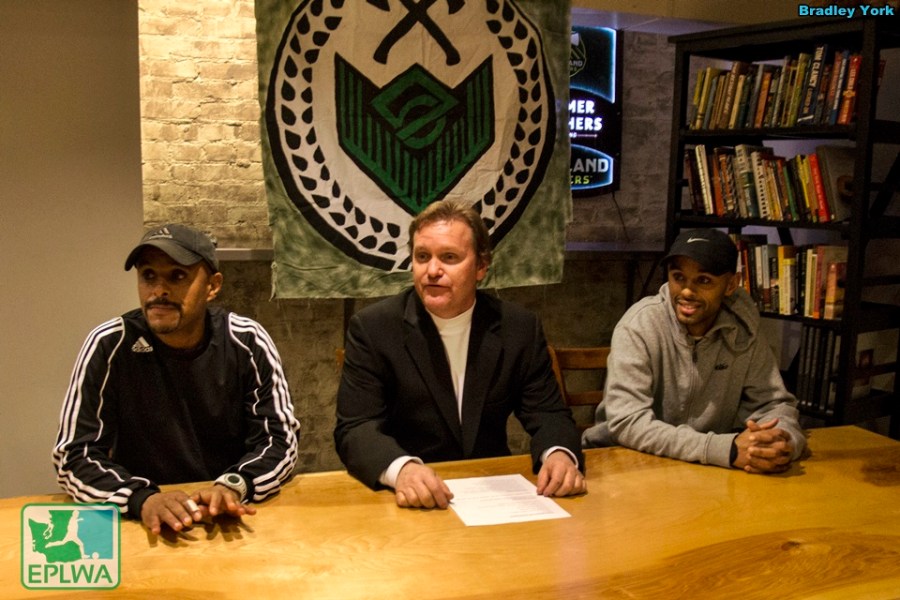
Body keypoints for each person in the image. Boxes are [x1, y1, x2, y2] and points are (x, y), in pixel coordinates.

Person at [334, 200, 585, 508]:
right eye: (422, 257)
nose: (432, 270)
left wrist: (558, 453)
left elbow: (548, 413)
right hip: (408, 497)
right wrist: (402, 469)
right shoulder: (374, 329)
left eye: (449, 257)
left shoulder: (518, 328)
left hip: (495, 497)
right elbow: (356, 427)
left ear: (481, 267)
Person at [53, 224, 300, 534]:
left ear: (213, 286)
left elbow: (279, 441)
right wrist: (141, 499)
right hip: (142, 523)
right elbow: (75, 455)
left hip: (230, 516)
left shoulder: (247, 340)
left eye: (178, 276)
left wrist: (234, 484)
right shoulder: (108, 344)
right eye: (148, 276)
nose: (159, 291)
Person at [583, 228, 806, 473]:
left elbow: (775, 405)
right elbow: (628, 423)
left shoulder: (743, 329)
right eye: (678, 277)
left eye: (704, 280)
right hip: (626, 464)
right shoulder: (639, 325)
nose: (687, 291)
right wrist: (725, 449)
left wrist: (779, 443)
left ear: (731, 284)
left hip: (704, 471)